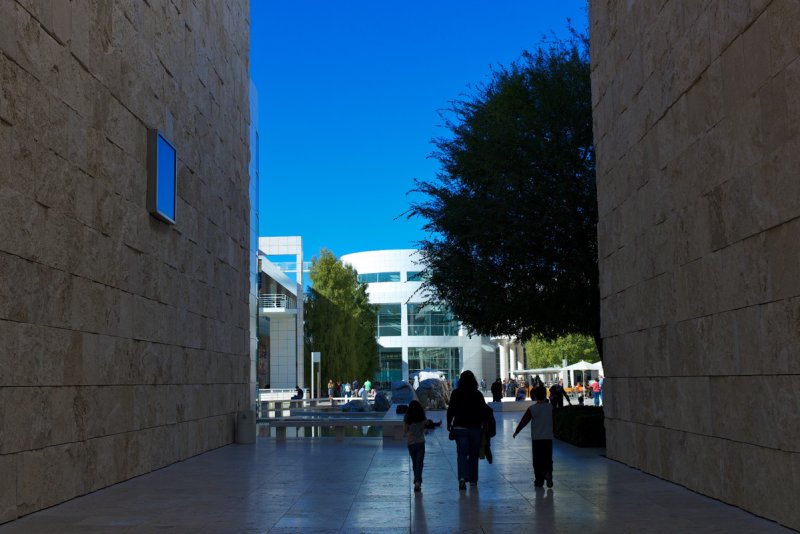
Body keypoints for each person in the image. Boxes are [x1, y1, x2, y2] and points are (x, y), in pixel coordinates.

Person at [446, 370, 488, 490]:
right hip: (475, 428)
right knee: (474, 454)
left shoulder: (456, 393)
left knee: (462, 453)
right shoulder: (477, 394)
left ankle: (462, 478)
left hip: (459, 427)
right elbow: (484, 411)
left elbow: (451, 410)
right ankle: (473, 480)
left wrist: (449, 423)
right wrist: (484, 425)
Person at [513, 386, 554, 488]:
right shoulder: (550, 407)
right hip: (548, 437)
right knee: (547, 458)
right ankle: (548, 473)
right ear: (545, 395)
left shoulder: (532, 408)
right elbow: (555, 420)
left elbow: (524, 421)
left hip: (537, 438)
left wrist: (517, 431)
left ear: (535, 396)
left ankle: (539, 480)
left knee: (537, 460)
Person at [404, 400, 427, 492]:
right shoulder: (422, 418)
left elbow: (405, 430)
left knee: (415, 463)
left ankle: (417, 479)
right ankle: (418, 481)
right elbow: (425, 426)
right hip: (421, 443)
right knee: (419, 463)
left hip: (411, 444)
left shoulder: (407, 419)